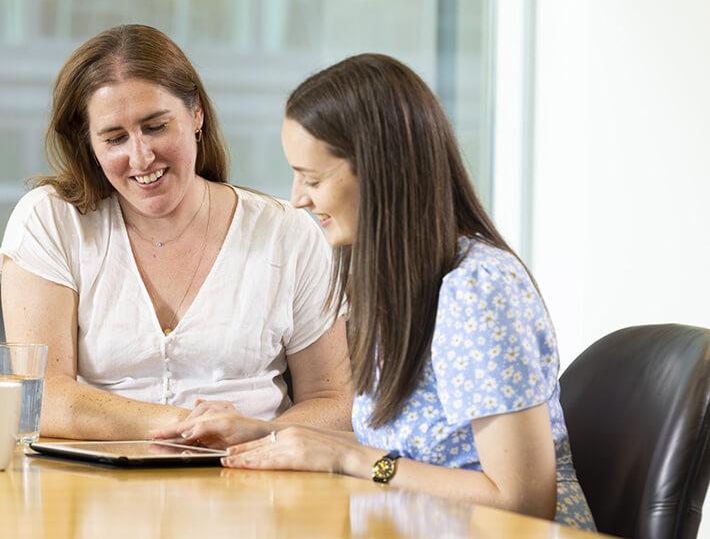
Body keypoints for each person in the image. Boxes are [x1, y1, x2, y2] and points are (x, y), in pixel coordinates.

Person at [152, 53, 596, 530]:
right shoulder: (397, 282)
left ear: (382, 172)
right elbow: (414, 460)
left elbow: (521, 502)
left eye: (314, 178)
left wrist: (351, 461)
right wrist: (266, 433)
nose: (298, 196)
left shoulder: (478, 291)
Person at [0, 24, 353, 441]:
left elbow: (336, 403)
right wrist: (187, 427)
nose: (141, 157)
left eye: (156, 127)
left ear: (196, 115)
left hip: (252, 481)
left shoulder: (286, 233)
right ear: (88, 143)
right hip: (94, 490)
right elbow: (39, 397)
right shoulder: (50, 221)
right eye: (114, 138)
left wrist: (255, 434)